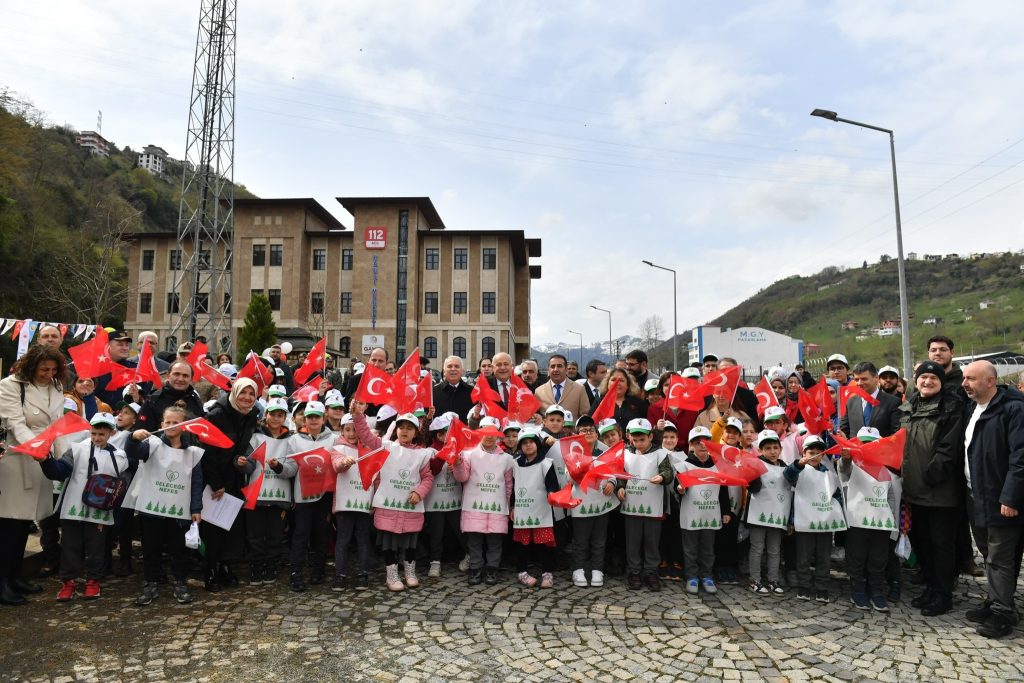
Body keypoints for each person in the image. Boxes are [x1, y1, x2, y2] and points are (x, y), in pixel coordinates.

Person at [962, 360, 1024, 639]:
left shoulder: (1013, 409)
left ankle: (1003, 614)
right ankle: (998, 600)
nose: (965, 384)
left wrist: (1011, 497)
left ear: (990, 381)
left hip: (1001, 498)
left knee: (1000, 557)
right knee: (989, 554)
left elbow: (1020, 457)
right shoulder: (972, 409)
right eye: (964, 378)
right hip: (976, 494)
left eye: (971, 379)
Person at [0, 345, 66, 605]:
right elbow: (14, 423)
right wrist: (36, 449)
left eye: (53, 369)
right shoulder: (11, 386)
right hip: (17, 460)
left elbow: (57, 424)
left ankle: (14, 576)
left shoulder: (56, 386)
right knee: (9, 524)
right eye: (44, 369)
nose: (49, 374)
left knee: (25, 525)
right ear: (31, 367)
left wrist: (66, 459)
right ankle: (2, 581)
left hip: (42, 461)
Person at [39, 412, 128, 601]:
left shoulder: (119, 456)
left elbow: (120, 484)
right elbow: (60, 470)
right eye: (94, 433)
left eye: (102, 434)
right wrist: (45, 461)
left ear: (111, 433)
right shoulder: (76, 449)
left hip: (100, 510)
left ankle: (93, 580)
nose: (97, 438)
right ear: (90, 430)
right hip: (74, 507)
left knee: (96, 547)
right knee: (70, 545)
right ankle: (68, 582)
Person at [899, 361, 964, 617]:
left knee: (941, 545)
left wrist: (930, 476)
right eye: (923, 377)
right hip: (913, 491)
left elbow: (948, 450)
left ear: (940, 381)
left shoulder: (951, 407)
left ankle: (943, 594)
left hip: (939, 492)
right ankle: (931, 588)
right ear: (916, 380)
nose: (927, 381)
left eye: (932, 378)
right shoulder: (908, 407)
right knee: (922, 542)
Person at [125, 404, 204, 606]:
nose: (171, 425)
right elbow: (134, 452)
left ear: (185, 425)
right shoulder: (151, 445)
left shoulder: (193, 453)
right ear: (161, 424)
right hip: (152, 510)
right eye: (167, 422)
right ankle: (150, 583)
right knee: (151, 548)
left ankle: (180, 583)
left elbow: (196, 482)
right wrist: (133, 437)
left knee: (179, 550)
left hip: (179, 511)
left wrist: (196, 508)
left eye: (176, 422)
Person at [351, 402, 435, 591]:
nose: (405, 431)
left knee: (410, 542)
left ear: (416, 432)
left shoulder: (422, 454)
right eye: (401, 427)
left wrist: (419, 492)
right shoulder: (385, 446)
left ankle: (410, 572)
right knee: (389, 542)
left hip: (411, 507)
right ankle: (392, 575)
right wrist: (358, 416)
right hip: (388, 507)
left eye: (409, 428)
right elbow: (365, 437)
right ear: (396, 429)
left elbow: (427, 477)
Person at [200, 378, 260, 591]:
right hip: (214, 475)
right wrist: (216, 483)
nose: (247, 397)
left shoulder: (251, 415)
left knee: (230, 525)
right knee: (212, 527)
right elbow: (206, 452)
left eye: (251, 394)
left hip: (235, 475)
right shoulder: (217, 415)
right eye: (243, 393)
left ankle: (225, 565)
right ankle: (210, 569)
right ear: (234, 393)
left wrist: (240, 462)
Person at [838, 425, 900, 613]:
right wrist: (846, 458)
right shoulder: (852, 466)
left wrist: (891, 519)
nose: (867, 447)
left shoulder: (886, 470)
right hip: (857, 521)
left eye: (872, 444)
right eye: (863, 444)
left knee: (878, 558)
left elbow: (890, 497)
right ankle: (857, 589)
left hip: (880, 523)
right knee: (857, 557)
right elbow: (843, 468)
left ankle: (876, 591)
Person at [238, 397, 294, 585]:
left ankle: (271, 565)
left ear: (285, 417)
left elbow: (293, 468)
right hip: (256, 495)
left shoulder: (291, 440)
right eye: (273, 414)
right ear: (266, 415)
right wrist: (242, 464)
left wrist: (279, 467)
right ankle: (256, 566)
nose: (276, 419)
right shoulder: (255, 436)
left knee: (275, 535)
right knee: (254, 535)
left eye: (280, 415)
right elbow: (249, 464)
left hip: (279, 497)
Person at [453, 419, 514, 586]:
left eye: (493, 433)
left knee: (495, 541)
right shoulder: (468, 454)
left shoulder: (507, 459)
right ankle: (476, 568)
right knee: (474, 541)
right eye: (485, 432)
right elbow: (462, 477)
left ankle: (492, 569)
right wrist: (457, 464)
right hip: (474, 505)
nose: (489, 437)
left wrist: (507, 505)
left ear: (498, 436)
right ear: (479, 433)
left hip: (497, 507)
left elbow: (508, 485)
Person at [284, 401, 337, 591]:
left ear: (323, 418)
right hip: (302, 496)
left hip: (324, 494)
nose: (313, 420)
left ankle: (318, 569)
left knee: (321, 532)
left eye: (317, 416)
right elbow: (290, 467)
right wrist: (279, 468)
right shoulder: (294, 440)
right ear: (304, 419)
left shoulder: (333, 439)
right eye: (310, 417)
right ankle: (295, 574)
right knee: (301, 534)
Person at [785, 434, 845, 603]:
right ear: (804, 453)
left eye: (819, 453)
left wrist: (835, 510)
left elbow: (837, 495)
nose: (815, 456)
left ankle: (822, 586)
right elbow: (788, 475)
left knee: (823, 556)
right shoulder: (799, 470)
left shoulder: (828, 474)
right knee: (803, 556)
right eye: (811, 452)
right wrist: (798, 464)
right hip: (804, 522)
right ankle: (804, 585)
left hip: (824, 523)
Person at [675, 426, 731, 595]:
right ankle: (691, 575)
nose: (702, 445)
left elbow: (723, 490)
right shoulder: (683, 465)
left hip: (710, 513)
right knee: (690, 547)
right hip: (690, 512)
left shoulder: (718, 466)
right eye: (697, 442)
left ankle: (706, 575)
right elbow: (677, 489)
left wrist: (726, 511)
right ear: (691, 445)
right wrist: (680, 490)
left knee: (708, 547)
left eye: (705, 441)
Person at [617, 418, 672, 591]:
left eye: (642, 439)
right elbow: (621, 473)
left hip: (653, 506)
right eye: (635, 440)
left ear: (650, 436)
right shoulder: (626, 453)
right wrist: (620, 487)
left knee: (651, 540)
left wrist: (662, 477)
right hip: (632, 504)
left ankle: (651, 571)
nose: (638, 443)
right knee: (632, 540)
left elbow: (668, 471)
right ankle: (633, 571)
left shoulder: (660, 453)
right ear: (629, 438)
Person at [570, 417, 617, 587]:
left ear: (597, 434)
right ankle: (578, 569)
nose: (588, 433)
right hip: (581, 502)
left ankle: (597, 569)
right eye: (583, 430)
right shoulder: (572, 453)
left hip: (601, 502)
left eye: (591, 429)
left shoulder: (604, 452)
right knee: (581, 540)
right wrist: (577, 474)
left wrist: (612, 483)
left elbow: (613, 472)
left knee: (599, 539)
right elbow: (568, 478)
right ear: (577, 434)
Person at [511, 429, 560, 588]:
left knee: (545, 543)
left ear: (537, 444)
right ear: (520, 446)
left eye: (531, 442)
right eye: (524, 443)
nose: (528, 445)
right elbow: (512, 487)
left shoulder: (546, 464)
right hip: (522, 509)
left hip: (542, 509)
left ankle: (547, 573)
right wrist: (512, 506)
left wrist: (552, 493)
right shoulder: (515, 464)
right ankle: (522, 572)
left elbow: (553, 485)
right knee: (522, 543)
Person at [745, 429, 791, 595]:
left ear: (780, 449)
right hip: (758, 514)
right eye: (768, 448)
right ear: (761, 450)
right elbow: (754, 489)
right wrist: (752, 474)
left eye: (775, 447)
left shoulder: (785, 467)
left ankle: (773, 579)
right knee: (757, 547)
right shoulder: (756, 464)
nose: (772, 451)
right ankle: (754, 579)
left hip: (777, 515)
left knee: (774, 549)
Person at [331, 412, 373, 590]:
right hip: (344, 504)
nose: (351, 434)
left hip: (364, 503)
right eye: (347, 430)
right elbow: (337, 465)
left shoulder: (369, 450)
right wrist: (345, 463)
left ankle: (363, 574)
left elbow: (375, 475)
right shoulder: (338, 449)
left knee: (363, 539)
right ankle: (340, 575)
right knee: (343, 539)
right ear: (341, 430)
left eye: (355, 430)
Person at [839, 362, 902, 438]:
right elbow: (844, 431)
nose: (859, 383)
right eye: (856, 379)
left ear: (876, 378)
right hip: (856, 449)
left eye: (864, 379)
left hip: (881, 449)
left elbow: (896, 433)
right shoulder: (851, 402)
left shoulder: (893, 402)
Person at [136, 361, 204, 429]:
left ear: (191, 379)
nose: (180, 379)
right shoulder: (153, 400)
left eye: (185, 376)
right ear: (168, 376)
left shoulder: (195, 401)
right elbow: (142, 430)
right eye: (176, 374)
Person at [591, 367, 648, 433]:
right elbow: (591, 423)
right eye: (613, 380)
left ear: (628, 385)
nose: (617, 383)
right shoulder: (600, 402)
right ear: (607, 383)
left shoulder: (638, 403)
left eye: (621, 380)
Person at [91, 330, 138, 408]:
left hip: (124, 416)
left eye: (126, 345)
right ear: (107, 346)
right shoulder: (94, 369)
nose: (125, 348)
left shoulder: (133, 369)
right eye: (120, 344)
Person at [432, 356, 474, 421]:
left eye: (457, 366)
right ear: (444, 371)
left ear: (462, 371)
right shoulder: (433, 392)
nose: (453, 369)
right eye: (449, 366)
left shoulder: (472, 392)